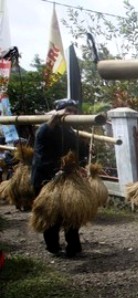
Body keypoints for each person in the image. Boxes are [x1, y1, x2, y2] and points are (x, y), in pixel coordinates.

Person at [31, 98, 88, 257]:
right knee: (51, 215)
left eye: (75, 111)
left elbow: (78, 153)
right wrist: (54, 118)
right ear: (60, 112)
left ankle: (74, 246)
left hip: (66, 178)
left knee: (72, 212)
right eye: (69, 110)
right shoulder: (45, 129)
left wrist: (78, 166)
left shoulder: (70, 132)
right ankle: (53, 246)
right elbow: (42, 154)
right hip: (45, 178)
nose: (72, 114)